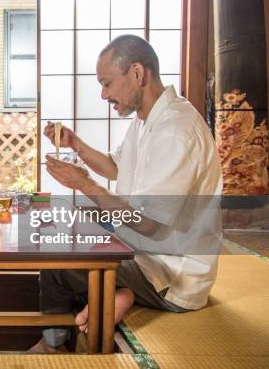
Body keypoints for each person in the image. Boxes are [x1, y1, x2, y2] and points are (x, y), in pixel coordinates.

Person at [30, 35, 222, 353]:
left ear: (136, 74)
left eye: (107, 84)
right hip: (143, 253)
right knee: (63, 236)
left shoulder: (176, 130)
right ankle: (116, 293)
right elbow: (116, 167)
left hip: (173, 276)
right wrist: (77, 145)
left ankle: (57, 344)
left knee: (56, 265)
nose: (104, 94)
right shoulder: (148, 120)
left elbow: (149, 224)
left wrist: (85, 185)